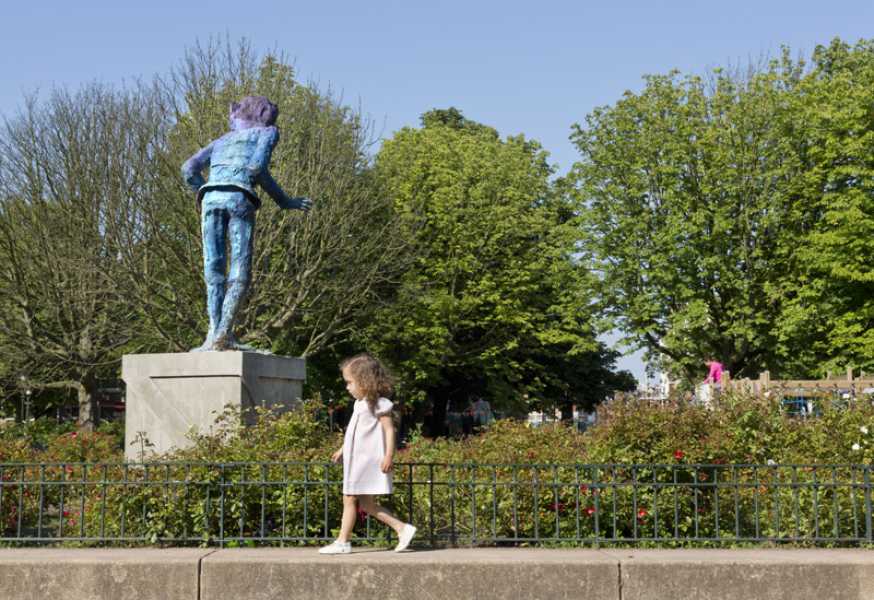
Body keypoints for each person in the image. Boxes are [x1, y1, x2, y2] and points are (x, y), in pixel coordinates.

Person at [181, 96, 312, 351]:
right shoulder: (267, 132)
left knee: (214, 267)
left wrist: (204, 192)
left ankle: (213, 334)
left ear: (237, 117)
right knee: (240, 268)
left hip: (210, 200)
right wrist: (284, 201)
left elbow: (188, 169)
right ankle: (222, 334)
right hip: (239, 197)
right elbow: (256, 168)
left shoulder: (221, 141)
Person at [319, 353, 417, 554]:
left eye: (350, 382)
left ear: (364, 381)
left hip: (367, 461)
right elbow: (354, 432)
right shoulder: (359, 404)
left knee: (350, 498)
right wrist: (342, 449)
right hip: (357, 460)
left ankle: (343, 542)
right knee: (365, 503)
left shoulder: (379, 404)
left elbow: (390, 430)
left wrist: (389, 455)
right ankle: (402, 528)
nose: (347, 387)